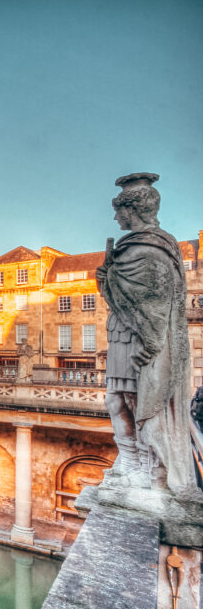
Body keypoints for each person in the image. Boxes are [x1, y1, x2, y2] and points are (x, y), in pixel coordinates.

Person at [96, 173, 194, 494]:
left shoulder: (152, 248)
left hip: (139, 339)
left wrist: (151, 342)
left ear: (133, 208)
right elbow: (124, 293)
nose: (115, 217)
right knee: (116, 400)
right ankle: (129, 461)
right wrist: (106, 278)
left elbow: (156, 302)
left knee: (135, 401)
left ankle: (149, 469)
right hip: (123, 332)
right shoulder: (135, 247)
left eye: (119, 210)